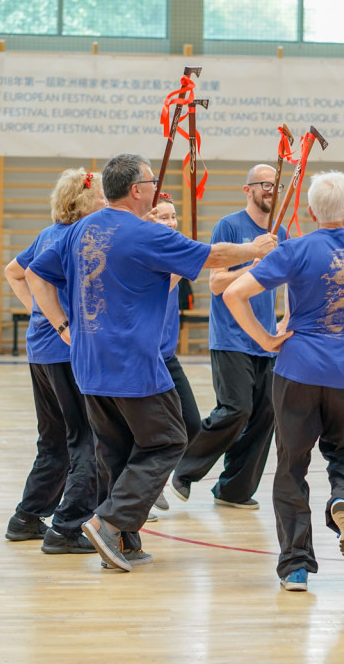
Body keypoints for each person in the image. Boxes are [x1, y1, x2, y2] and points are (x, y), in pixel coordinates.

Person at [26, 153, 277, 572]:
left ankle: (122, 542)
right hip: (133, 365)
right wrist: (254, 248)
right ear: (137, 190)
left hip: (88, 367)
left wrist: (63, 326)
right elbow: (212, 256)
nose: (154, 189)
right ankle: (108, 523)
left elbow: (36, 274)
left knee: (119, 451)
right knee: (169, 440)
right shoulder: (145, 234)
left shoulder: (80, 230)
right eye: (150, 182)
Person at [222, 157, 344, 592]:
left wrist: (264, 339)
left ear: (312, 213)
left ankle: (295, 566)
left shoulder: (294, 249)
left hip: (296, 370)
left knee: (291, 466)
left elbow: (235, 293)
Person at [168, 165, 289, 511]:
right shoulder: (230, 226)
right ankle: (183, 469)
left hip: (265, 338)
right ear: (247, 190)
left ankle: (234, 490)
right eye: (264, 184)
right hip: (231, 338)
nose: (270, 189)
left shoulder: (280, 231)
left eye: (275, 184)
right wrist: (255, 257)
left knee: (266, 414)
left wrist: (287, 318)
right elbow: (217, 283)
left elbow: (292, 278)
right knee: (236, 409)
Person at [3, 169, 105, 554]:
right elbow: (24, 273)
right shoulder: (77, 238)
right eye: (101, 198)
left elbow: (13, 272)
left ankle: (26, 517)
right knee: (87, 439)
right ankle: (67, 527)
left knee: (54, 441)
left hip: (41, 350)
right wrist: (57, 319)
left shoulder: (49, 233)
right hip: (65, 350)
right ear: (86, 202)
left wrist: (38, 312)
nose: (106, 203)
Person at [149, 193, 202, 514]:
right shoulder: (149, 252)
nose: (171, 222)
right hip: (145, 357)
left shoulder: (174, 251)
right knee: (156, 431)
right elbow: (152, 291)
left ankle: (165, 479)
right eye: (163, 217)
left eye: (173, 216)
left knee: (192, 424)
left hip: (167, 355)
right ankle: (141, 492)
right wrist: (179, 269)